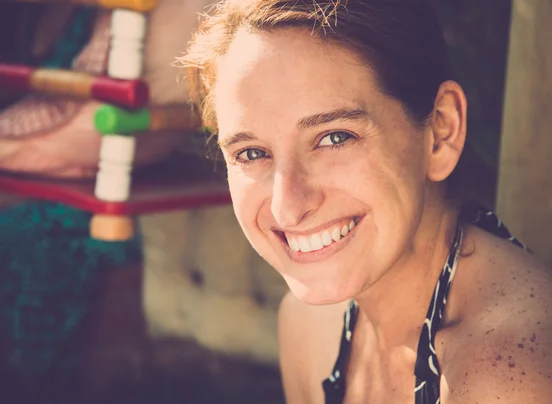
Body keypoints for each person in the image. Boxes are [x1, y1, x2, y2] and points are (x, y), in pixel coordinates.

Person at [179, 0, 552, 402]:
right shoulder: (309, 323)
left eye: (335, 137)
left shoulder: (509, 374)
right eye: (251, 153)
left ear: (441, 131)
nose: (287, 207)